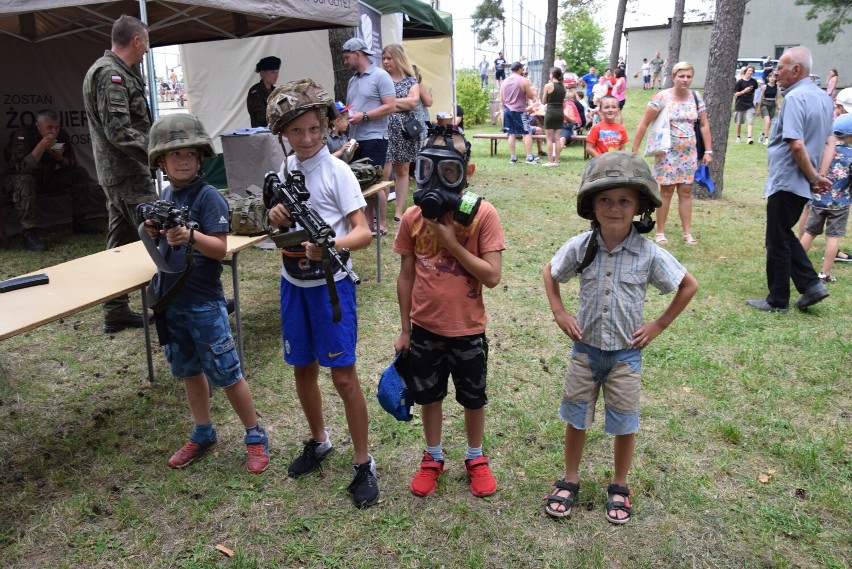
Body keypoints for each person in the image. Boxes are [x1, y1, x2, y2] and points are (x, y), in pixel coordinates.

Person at [541, 151, 698, 523]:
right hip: (585, 352)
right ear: (591, 205)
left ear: (640, 206)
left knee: (624, 421)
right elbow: (550, 273)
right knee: (576, 417)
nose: (614, 208)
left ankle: (620, 484)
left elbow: (688, 285)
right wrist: (560, 312)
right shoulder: (581, 246)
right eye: (605, 200)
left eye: (624, 200)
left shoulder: (648, 253)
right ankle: (570, 478)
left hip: (625, 357)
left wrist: (658, 324)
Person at [265, 78, 377, 507]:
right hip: (294, 283)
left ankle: (364, 462)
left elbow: (363, 232)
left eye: (315, 128)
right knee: (302, 368)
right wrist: (276, 217)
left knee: (344, 377)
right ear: (283, 134)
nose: (308, 138)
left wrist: (329, 245)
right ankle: (319, 440)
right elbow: (277, 223)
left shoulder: (338, 171)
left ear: (326, 125)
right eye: (297, 131)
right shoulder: (284, 171)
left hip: (332, 287)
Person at [142, 113, 269, 475]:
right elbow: (163, 249)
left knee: (227, 373)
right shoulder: (166, 195)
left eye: (190, 154)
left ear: (200, 158)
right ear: (161, 162)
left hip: (203, 302)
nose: (183, 160)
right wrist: (153, 232)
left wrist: (190, 236)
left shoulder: (208, 196)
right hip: (172, 302)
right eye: (174, 154)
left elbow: (219, 249)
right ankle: (203, 432)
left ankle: (255, 434)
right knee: (188, 371)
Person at [393, 126, 506, 499]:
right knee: (429, 396)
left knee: (473, 398)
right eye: (427, 168)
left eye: (450, 171)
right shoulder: (412, 218)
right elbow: (406, 275)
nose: (437, 179)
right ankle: (433, 455)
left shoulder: (483, 215)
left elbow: (491, 277)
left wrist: (450, 242)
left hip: (467, 329)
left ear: (466, 172)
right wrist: (405, 329)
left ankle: (475, 457)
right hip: (425, 328)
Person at [83, 14, 159, 333]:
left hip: (122, 172)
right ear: (136, 40)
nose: (146, 51)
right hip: (127, 173)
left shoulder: (118, 71)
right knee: (164, 230)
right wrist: (159, 152)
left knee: (120, 241)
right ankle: (190, 298)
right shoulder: (110, 74)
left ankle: (115, 311)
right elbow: (119, 131)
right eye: (146, 43)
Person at [746, 46, 834, 313]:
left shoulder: (796, 99)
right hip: (803, 180)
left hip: (789, 178)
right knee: (782, 234)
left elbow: (796, 144)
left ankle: (779, 299)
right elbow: (829, 141)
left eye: (781, 67)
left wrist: (814, 176)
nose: (775, 72)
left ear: (797, 70)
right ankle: (810, 285)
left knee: (777, 238)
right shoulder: (823, 98)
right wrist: (819, 175)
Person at [631, 61, 713, 246]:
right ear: (674, 77)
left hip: (688, 152)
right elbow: (644, 122)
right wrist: (635, 149)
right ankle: (660, 231)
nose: (685, 80)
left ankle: (687, 232)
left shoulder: (696, 97)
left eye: (688, 76)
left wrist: (708, 150)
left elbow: (704, 125)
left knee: (685, 191)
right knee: (666, 191)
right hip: (667, 152)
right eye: (681, 76)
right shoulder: (662, 97)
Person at [2, 109, 98, 251]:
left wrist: (59, 159)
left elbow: (71, 164)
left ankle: (80, 222)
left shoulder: (61, 135)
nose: (54, 131)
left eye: (57, 127)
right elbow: (20, 168)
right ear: (38, 126)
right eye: (49, 127)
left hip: (45, 179)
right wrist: (41, 146)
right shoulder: (23, 135)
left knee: (79, 174)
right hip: (16, 182)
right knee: (25, 180)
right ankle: (29, 232)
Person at [343, 37, 396, 236]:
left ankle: (381, 225)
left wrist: (364, 116)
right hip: (355, 140)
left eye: (347, 57)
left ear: (358, 54)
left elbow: (390, 106)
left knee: (374, 183)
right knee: (360, 183)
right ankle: (366, 225)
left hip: (375, 138)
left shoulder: (380, 76)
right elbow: (353, 108)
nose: (345, 62)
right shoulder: (352, 80)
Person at [799, 113, 852, 283]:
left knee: (809, 232)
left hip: (817, 200)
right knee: (833, 237)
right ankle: (824, 274)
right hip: (840, 204)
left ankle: (793, 265)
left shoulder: (824, 148)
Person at [382, 44, 421, 224]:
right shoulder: (381, 79)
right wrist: (399, 103)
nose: (385, 61)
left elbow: (413, 102)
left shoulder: (411, 80)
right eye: (384, 58)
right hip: (384, 128)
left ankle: (399, 209)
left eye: (389, 58)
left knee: (403, 170)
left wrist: (390, 102)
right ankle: (379, 212)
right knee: (384, 171)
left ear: (398, 58)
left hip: (404, 131)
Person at [501, 62, 537, 164]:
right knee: (527, 132)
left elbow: (502, 98)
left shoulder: (505, 81)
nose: (523, 71)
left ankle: (513, 158)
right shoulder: (524, 80)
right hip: (519, 111)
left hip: (507, 110)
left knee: (511, 133)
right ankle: (529, 158)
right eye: (523, 69)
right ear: (519, 69)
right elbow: (530, 96)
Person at [541, 66, 567, 167]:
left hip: (550, 112)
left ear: (552, 75)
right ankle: (556, 161)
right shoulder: (563, 86)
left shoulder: (548, 86)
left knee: (549, 138)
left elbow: (544, 101)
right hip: (560, 112)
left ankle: (550, 161)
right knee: (557, 138)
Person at [246, 56, 280, 128]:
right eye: (273, 72)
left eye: (277, 72)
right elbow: (259, 118)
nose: (276, 75)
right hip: (261, 133)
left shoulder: (276, 91)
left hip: (275, 131)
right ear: (262, 73)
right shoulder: (254, 92)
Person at [734, 66, 759, 144]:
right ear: (745, 72)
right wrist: (744, 91)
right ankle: (738, 137)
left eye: (752, 71)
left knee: (750, 121)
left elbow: (754, 92)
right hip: (740, 104)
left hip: (750, 104)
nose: (751, 72)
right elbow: (735, 94)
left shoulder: (754, 82)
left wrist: (754, 102)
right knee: (739, 122)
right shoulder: (740, 82)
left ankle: (749, 138)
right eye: (749, 71)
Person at [756, 72, 780, 145]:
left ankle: (763, 134)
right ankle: (766, 139)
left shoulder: (777, 87)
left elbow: (778, 98)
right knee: (767, 121)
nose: (772, 78)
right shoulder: (765, 87)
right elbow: (761, 97)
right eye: (770, 77)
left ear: (775, 78)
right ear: (768, 78)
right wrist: (758, 108)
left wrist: (779, 107)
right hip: (765, 104)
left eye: (773, 77)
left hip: (772, 105)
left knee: (769, 123)